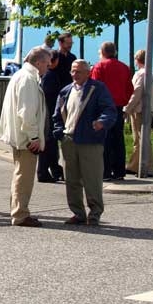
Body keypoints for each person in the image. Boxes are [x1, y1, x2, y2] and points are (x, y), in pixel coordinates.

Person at [52, 59, 117, 225]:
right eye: (73, 71)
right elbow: (57, 116)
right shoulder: (66, 91)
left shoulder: (98, 89)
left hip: (90, 141)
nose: (75, 74)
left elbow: (110, 110)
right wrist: (59, 132)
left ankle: (94, 213)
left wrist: (101, 122)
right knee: (71, 179)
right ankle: (78, 213)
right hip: (69, 140)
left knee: (92, 179)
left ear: (88, 73)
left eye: (79, 71)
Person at [0, 46, 52, 227]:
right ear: (39, 62)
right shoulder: (28, 79)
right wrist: (34, 137)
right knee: (24, 176)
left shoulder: (22, 75)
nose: (48, 67)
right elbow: (27, 113)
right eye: (47, 63)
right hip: (26, 138)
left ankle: (18, 210)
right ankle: (20, 214)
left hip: (21, 136)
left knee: (21, 174)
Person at [91, 41, 132, 181]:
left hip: (103, 107)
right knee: (118, 139)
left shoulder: (99, 67)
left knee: (105, 139)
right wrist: (124, 101)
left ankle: (106, 171)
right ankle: (119, 170)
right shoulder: (124, 67)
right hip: (118, 107)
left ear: (102, 52)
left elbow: (94, 87)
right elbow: (129, 88)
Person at [124, 49, 153, 177]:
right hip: (145, 108)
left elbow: (136, 92)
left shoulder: (141, 74)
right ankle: (136, 165)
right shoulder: (147, 73)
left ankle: (145, 167)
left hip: (140, 109)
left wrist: (127, 108)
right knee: (141, 139)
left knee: (140, 138)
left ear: (137, 60)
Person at [37, 50, 65, 183]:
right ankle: (43, 171)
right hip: (49, 114)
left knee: (51, 144)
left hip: (48, 113)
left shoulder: (46, 75)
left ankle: (55, 170)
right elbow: (49, 97)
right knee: (49, 144)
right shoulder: (50, 76)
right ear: (56, 61)